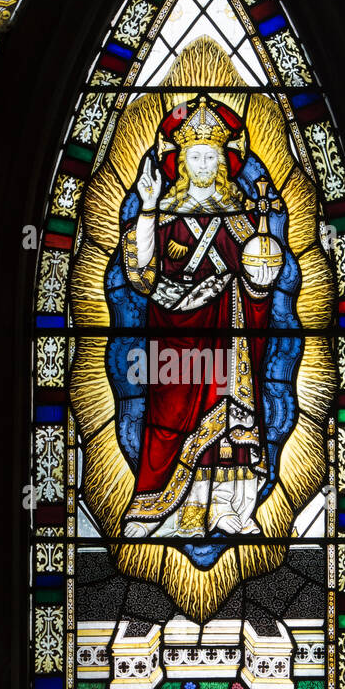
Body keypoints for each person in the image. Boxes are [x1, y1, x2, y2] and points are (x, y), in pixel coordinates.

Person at [120, 97, 281, 539]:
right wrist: (149, 206)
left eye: (212, 155)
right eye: (196, 155)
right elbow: (141, 275)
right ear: (183, 162)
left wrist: (261, 279)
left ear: (224, 162)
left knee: (230, 417)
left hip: (224, 331)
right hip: (171, 336)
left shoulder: (239, 218)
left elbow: (255, 277)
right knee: (169, 415)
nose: (205, 162)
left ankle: (228, 510)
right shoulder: (165, 214)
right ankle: (167, 511)